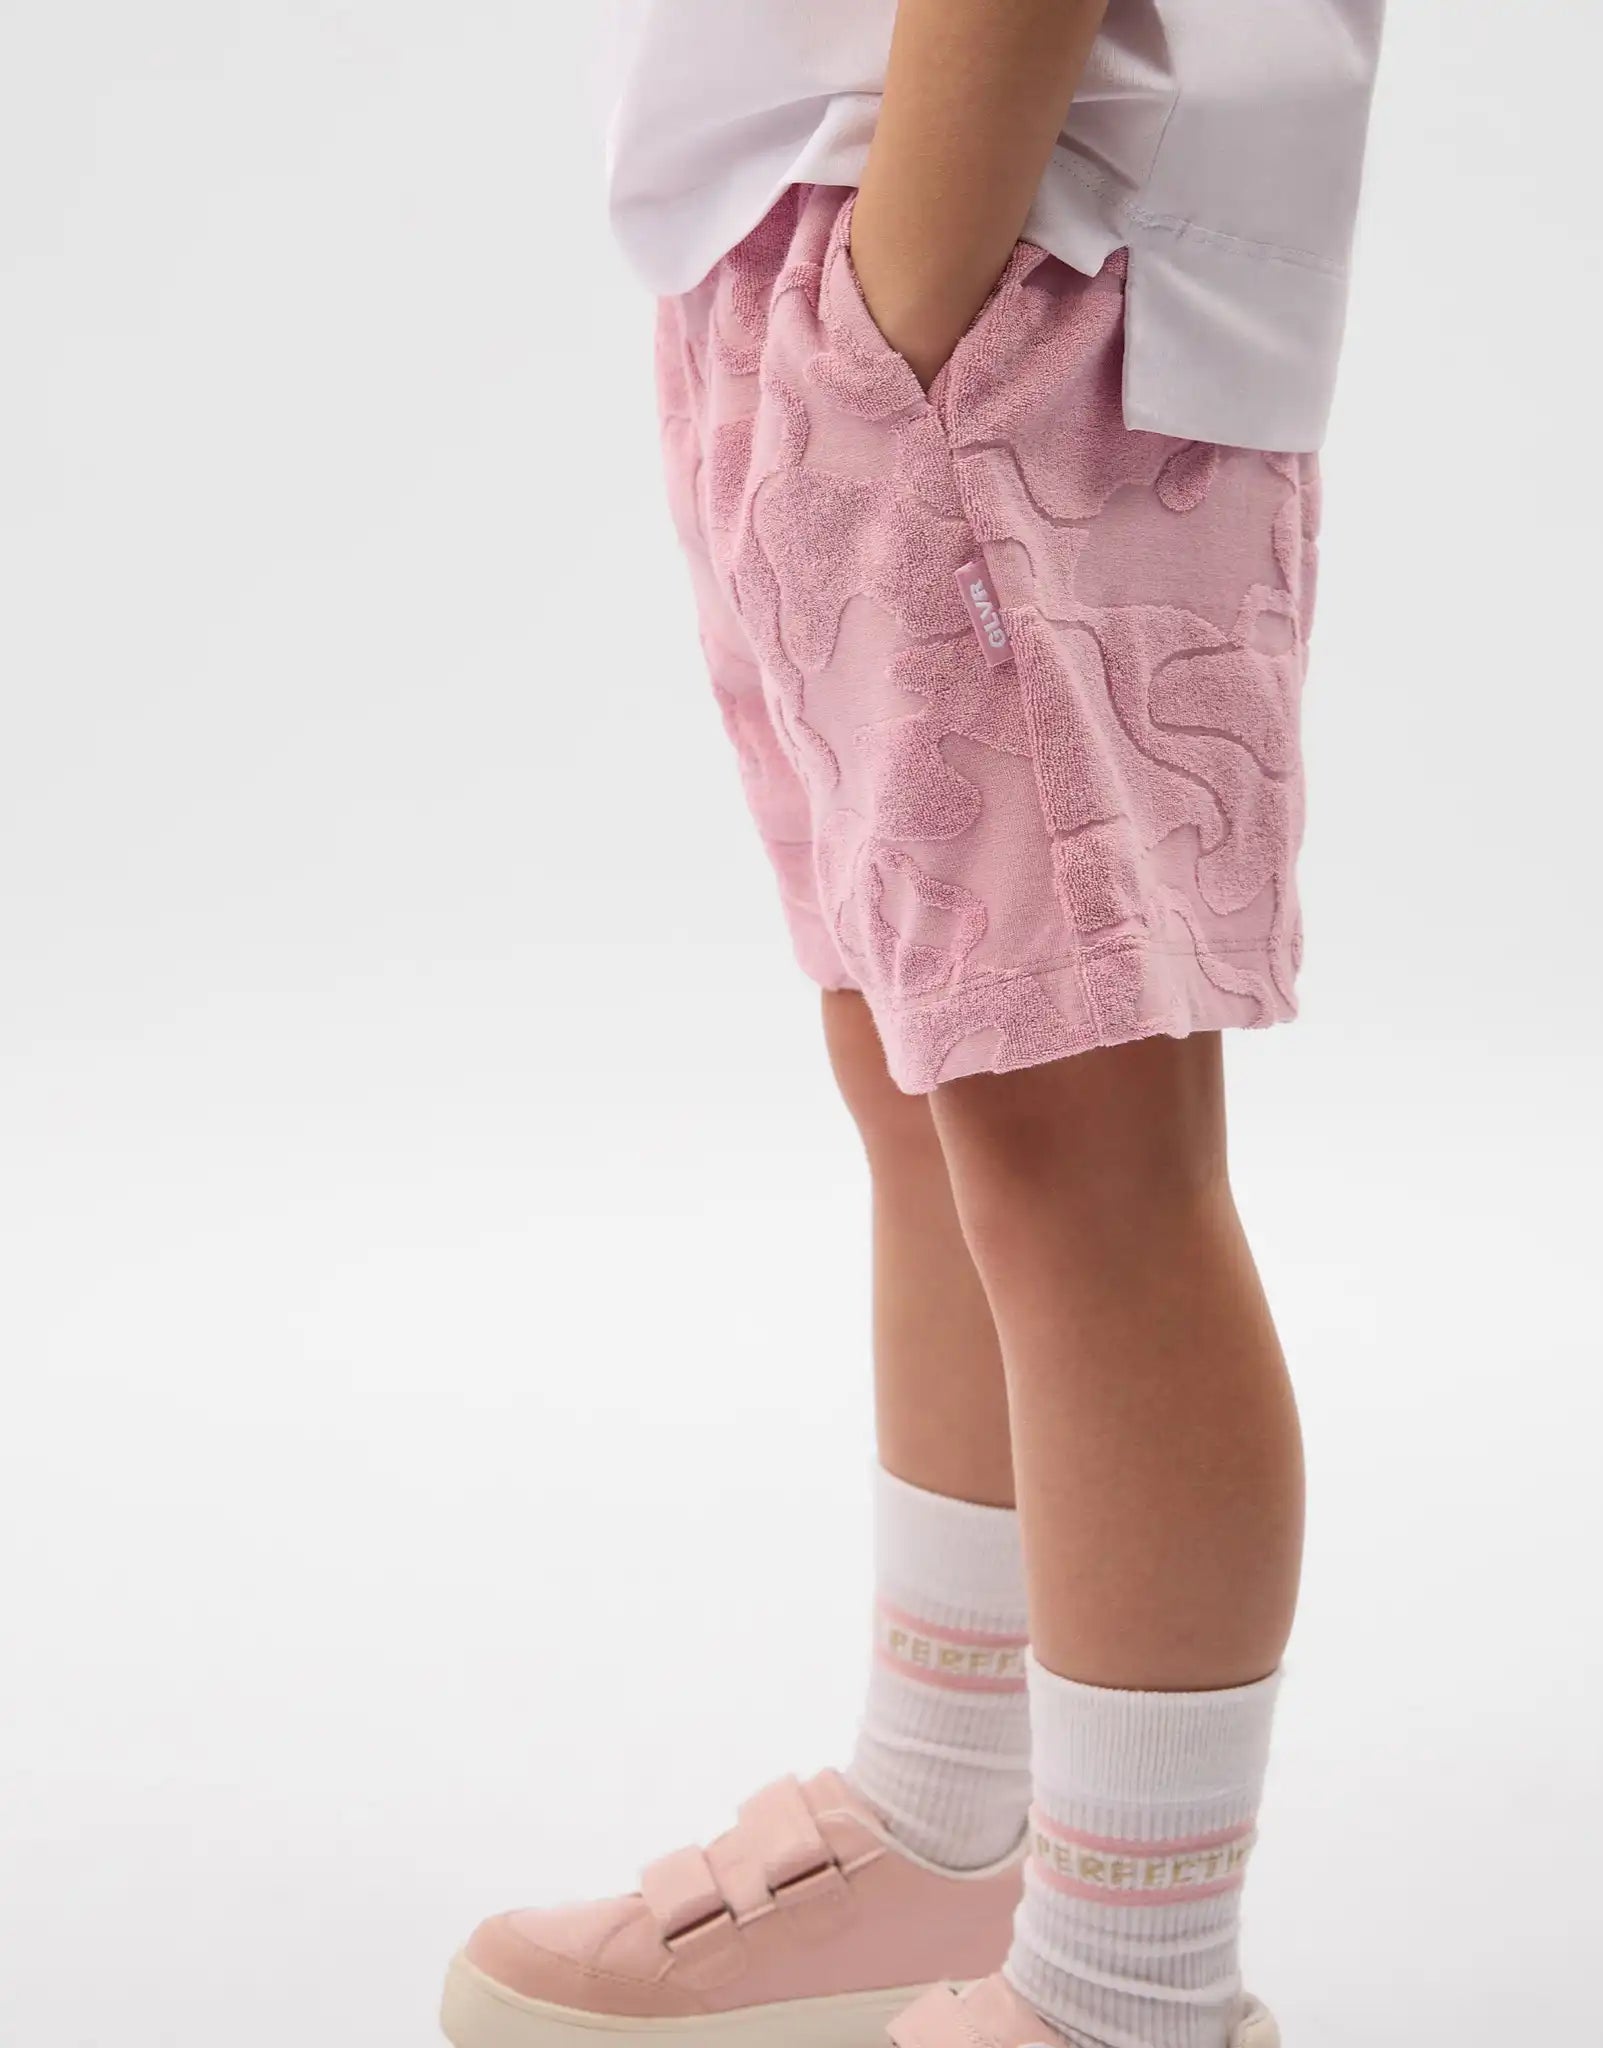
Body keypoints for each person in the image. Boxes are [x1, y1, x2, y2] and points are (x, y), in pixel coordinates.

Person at [441, 5, 1384, 2047]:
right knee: (930, 1093)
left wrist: (913, 286)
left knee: (1087, 1161)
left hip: (1015, 260)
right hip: (849, 244)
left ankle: (1131, 1991)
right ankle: (952, 1818)